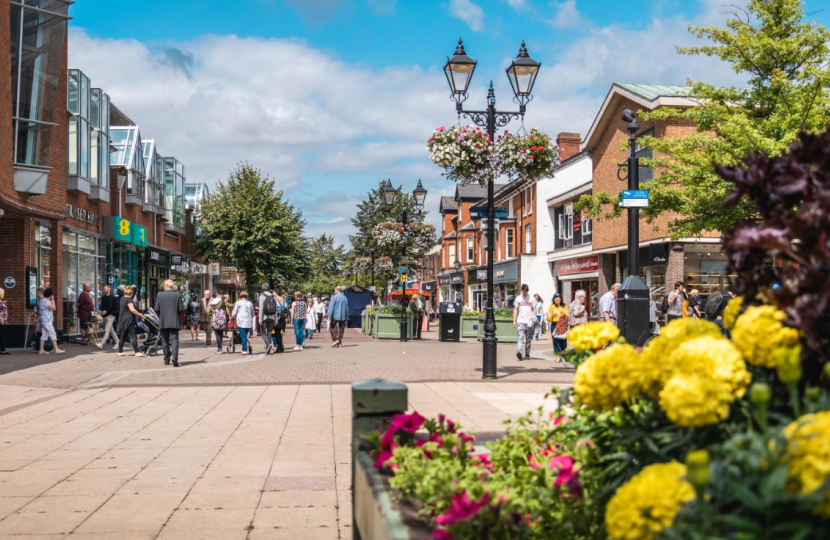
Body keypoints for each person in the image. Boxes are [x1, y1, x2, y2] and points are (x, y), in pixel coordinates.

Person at [155, 279, 185, 367]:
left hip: (164, 321)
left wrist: (161, 315)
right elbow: (181, 309)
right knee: (174, 340)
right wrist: (175, 315)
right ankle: (175, 358)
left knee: (165, 340)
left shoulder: (160, 295)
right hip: (174, 321)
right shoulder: (177, 296)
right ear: (172, 286)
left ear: (165, 286)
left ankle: (166, 359)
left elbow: (156, 308)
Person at [117, 285, 145, 357]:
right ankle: (137, 352)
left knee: (123, 335)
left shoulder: (122, 299)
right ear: (132, 293)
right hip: (129, 319)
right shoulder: (129, 300)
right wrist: (140, 314)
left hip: (122, 319)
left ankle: (120, 351)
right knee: (133, 335)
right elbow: (132, 309)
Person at [513, 284, 537, 361]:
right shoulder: (518, 298)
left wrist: (534, 318)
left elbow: (534, 309)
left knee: (528, 339)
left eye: (525, 292)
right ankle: (519, 352)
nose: (524, 293)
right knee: (520, 337)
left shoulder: (532, 299)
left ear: (528, 291)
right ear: (521, 290)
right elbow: (515, 309)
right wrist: (514, 320)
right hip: (520, 321)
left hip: (529, 321)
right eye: (523, 292)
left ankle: (527, 353)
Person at [37, 288, 64, 355]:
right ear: (51, 295)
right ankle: (56, 349)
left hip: (43, 320)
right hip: (47, 320)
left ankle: (41, 349)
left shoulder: (41, 300)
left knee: (44, 334)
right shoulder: (46, 301)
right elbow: (54, 308)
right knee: (52, 333)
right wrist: (53, 300)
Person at [547, 293, 569, 360]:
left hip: (562, 324)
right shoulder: (552, 306)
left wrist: (563, 314)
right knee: (555, 340)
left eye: (558, 300)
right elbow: (549, 318)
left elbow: (567, 316)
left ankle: (563, 354)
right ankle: (558, 356)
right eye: (556, 300)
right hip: (555, 324)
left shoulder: (564, 306)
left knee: (563, 340)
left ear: (561, 299)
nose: (557, 301)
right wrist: (553, 315)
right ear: (554, 300)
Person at [258, 283, 277, 354]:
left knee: (262, 332)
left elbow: (261, 309)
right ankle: (267, 348)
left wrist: (260, 320)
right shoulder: (273, 296)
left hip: (264, 318)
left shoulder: (262, 296)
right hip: (272, 317)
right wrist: (276, 320)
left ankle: (268, 344)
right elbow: (275, 309)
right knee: (269, 332)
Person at [98, 285, 119, 349]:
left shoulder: (113, 298)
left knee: (107, 330)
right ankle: (118, 342)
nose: (103, 290)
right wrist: (101, 311)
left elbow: (114, 308)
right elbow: (102, 306)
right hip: (105, 316)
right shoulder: (103, 298)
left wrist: (106, 311)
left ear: (109, 289)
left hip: (111, 315)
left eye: (105, 289)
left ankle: (101, 343)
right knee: (111, 330)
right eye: (103, 289)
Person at [271, 287, 288, 353]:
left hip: (277, 317)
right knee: (280, 333)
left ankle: (279, 348)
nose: (273, 293)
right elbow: (286, 307)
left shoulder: (275, 299)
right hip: (283, 318)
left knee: (276, 333)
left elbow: (274, 308)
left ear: (275, 293)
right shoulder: (283, 299)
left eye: (273, 292)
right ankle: (281, 347)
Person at [0, 287, 8, 355]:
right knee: (2, 335)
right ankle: (2, 350)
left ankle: (3, 349)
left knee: (3, 335)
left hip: (4, 320)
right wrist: (1, 319)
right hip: (1, 320)